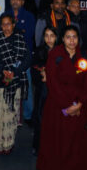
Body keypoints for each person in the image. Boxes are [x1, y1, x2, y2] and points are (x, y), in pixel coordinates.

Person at [37, 24, 87, 170]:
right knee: (58, 144)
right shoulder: (55, 54)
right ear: (62, 39)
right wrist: (67, 106)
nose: (72, 40)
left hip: (79, 108)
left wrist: (79, 104)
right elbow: (52, 82)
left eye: (74, 37)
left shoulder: (85, 56)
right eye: (68, 37)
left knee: (78, 146)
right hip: (58, 106)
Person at [0, 14, 31, 154]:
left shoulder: (20, 39)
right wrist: (2, 70)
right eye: (3, 24)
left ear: (13, 25)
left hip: (15, 82)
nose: (6, 27)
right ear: (0, 26)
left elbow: (27, 58)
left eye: (8, 24)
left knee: (10, 115)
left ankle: (8, 144)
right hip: (0, 82)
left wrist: (15, 71)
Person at [31, 26, 58, 156]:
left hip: (57, 90)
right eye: (46, 35)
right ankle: (38, 146)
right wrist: (42, 74)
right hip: (43, 90)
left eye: (52, 35)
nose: (49, 39)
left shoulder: (61, 51)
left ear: (56, 37)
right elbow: (34, 70)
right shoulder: (39, 51)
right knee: (40, 117)